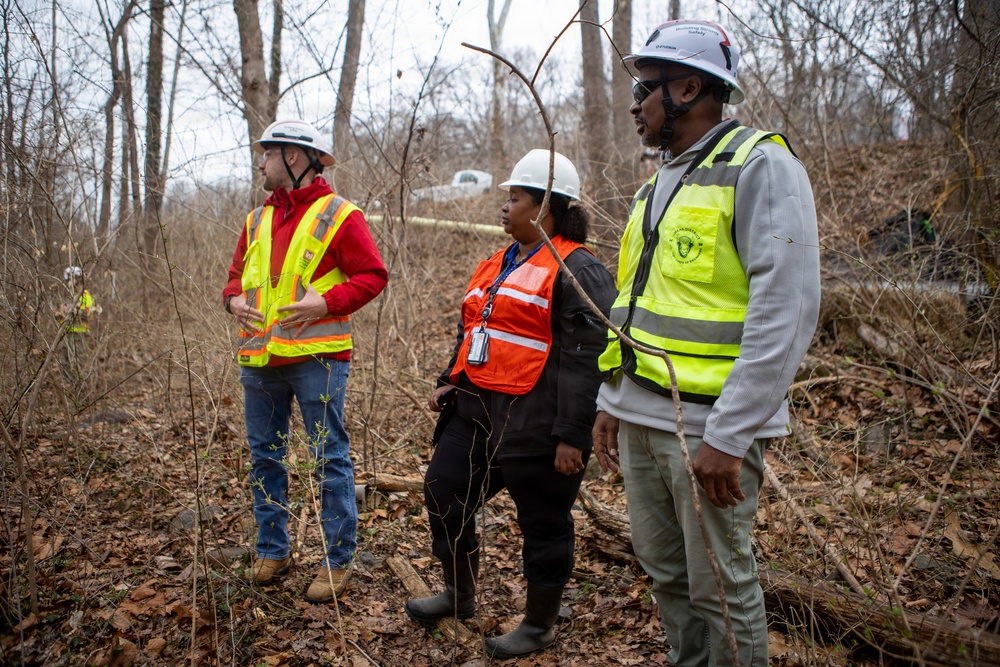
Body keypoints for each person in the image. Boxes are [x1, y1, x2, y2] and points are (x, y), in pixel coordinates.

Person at [592, 20, 821, 667]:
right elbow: (631, 307)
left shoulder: (760, 165)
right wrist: (614, 397)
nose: (636, 104)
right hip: (642, 417)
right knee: (666, 574)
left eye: (646, 88)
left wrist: (731, 432)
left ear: (689, 88)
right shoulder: (656, 184)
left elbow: (789, 306)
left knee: (720, 586)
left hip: (708, 431)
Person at [404, 150, 616, 659]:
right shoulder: (497, 261)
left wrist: (573, 434)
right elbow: (475, 324)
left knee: (543, 523)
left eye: (515, 197)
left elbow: (590, 359)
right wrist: (449, 378)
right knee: (443, 491)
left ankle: (539, 625)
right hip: (475, 411)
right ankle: (460, 596)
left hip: (537, 424)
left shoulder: (579, 270)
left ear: (547, 206)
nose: (504, 206)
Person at [222, 119, 388, 603]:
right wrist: (232, 300)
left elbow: (374, 275)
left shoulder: (339, 215)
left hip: (317, 357)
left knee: (329, 457)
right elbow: (234, 280)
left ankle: (338, 561)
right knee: (264, 457)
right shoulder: (255, 220)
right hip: (259, 359)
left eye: (266, 153)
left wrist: (326, 303)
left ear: (292, 157)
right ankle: (273, 550)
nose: (260, 162)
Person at [57, 265, 98, 374]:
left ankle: (79, 384)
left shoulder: (85, 296)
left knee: (78, 360)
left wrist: (73, 311)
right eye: (68, 280)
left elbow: (88, 314)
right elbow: (57, 312)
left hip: (80, 334)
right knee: (64, 361)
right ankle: (66, 384)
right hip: (65, 333)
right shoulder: (63, 295)